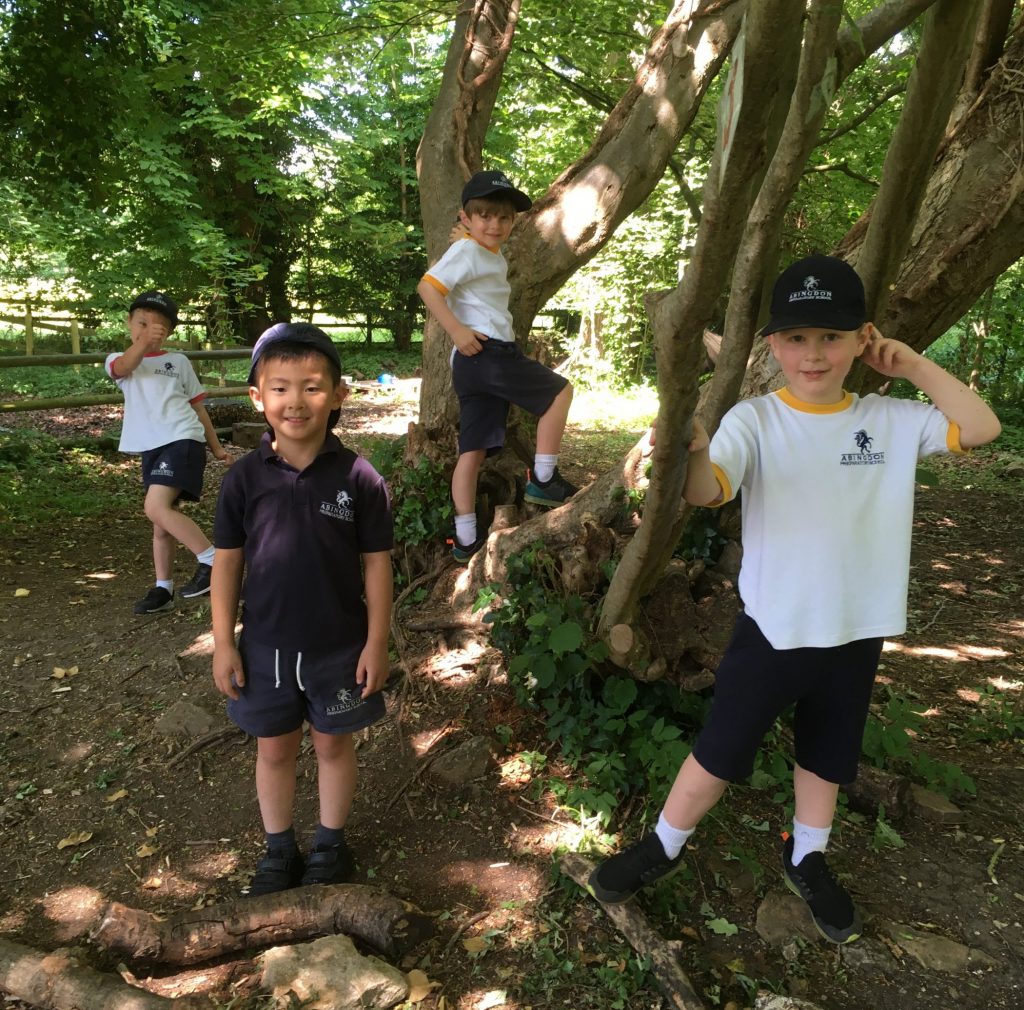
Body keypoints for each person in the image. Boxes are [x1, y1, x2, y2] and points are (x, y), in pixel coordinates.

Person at [588, 255, 1001, 944]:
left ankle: (807, 856)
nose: (814, 353)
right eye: (797, 338)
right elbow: (707, 490)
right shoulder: (756, 420)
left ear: (862, 340)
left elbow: (980, 428)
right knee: (719, 751)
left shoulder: (890, 419)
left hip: (855, 630)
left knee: (827, 757)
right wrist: (691, 451)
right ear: (773, 345)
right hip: (774, 629)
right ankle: (662, 844)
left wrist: (916, 367)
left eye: (832, 337)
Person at [211, 322, 393, 895]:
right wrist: (222, 641)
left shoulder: (360, 478)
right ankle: (278, 850)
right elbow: (227, 563)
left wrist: (376, 641)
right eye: (281, 387)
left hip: (339, 646)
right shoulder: (243, 478)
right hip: (263, 646)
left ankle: (330, 847)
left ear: (338, 395)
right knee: (275, 747)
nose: (296, 401)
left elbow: (376, 564)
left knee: (334, 743)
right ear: (258, 398)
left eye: (312, 387)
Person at [417, 169, 577, 563]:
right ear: (465, 217)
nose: (496, 224)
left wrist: (468, 238)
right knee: (560, 392)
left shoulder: (479, 249)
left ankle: (466, 537)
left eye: (504, 217)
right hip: (488, 353)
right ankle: (543, 478)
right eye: (484, 215)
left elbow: (469, 262)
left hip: (473, 366)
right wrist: (456, 330)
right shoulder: (470, 250)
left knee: (472, 452)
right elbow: (427, 287)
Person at [105, 290, 230, 615]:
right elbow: (123, 366)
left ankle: (214, 559)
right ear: (128, 324)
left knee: (156, 507)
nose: (149, 329)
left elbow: (198, 409)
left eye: (158, 326)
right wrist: (144, 342)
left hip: (183, 439)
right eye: (142, 322)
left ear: (170, 332)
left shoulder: (179, 362)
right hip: (152, 447)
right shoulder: (121, 361)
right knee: (161, 522)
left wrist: (215, 446)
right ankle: (163, 588)